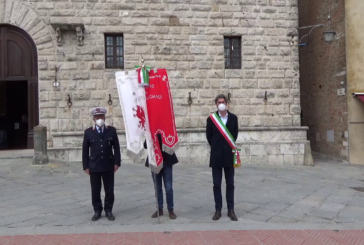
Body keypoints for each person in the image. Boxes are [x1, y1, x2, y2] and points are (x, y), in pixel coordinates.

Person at [82, 107, 121, 221]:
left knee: (109, 190)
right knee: (95, 190)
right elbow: (85, 150)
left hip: (108, 165)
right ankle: (97, 211)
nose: (100, 119)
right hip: (94, 166)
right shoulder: (89, 132)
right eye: (97, 117)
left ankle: (108, 210)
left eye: (101, 117)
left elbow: (116, 148)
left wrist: (117, 162)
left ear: (104, 117)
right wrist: (86, 166)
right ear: (94, 119)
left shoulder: (111, 131)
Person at [206, 94, 239, 221]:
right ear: (216, 104)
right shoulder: (211, 119)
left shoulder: (234, 118)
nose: (221, 103)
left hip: (229, 156)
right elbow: (209, 137)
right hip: (216, 157)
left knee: (230, 184)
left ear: (226, 103)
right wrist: (217, 148)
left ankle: (231, 210)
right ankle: (218, 209)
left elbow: (234, 135)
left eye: (223, 101)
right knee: (216, 184)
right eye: (219, 102)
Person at [144, 134, 178, 219]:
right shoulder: (151, 130)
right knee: (157, 187)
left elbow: (172, 141)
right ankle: (159, 209)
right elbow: (145, 145)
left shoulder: (166, 128)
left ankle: (171, 209)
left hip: (167, 160)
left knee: (168, 187)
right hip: (154, 161)